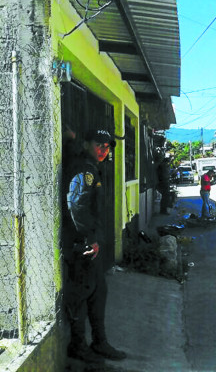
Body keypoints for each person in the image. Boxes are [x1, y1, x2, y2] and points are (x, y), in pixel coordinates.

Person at [62, 129, 126, 364]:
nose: (104, 150)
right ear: (87, 143)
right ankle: (78, 346)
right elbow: (76, 205)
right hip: (82, 245)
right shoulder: (84, 168)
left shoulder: (89, 164)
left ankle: (100, 342)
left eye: (107, 147)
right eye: (99, 145)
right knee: (80, 295)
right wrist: (90, 238)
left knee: (99, 292)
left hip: (89, 243)